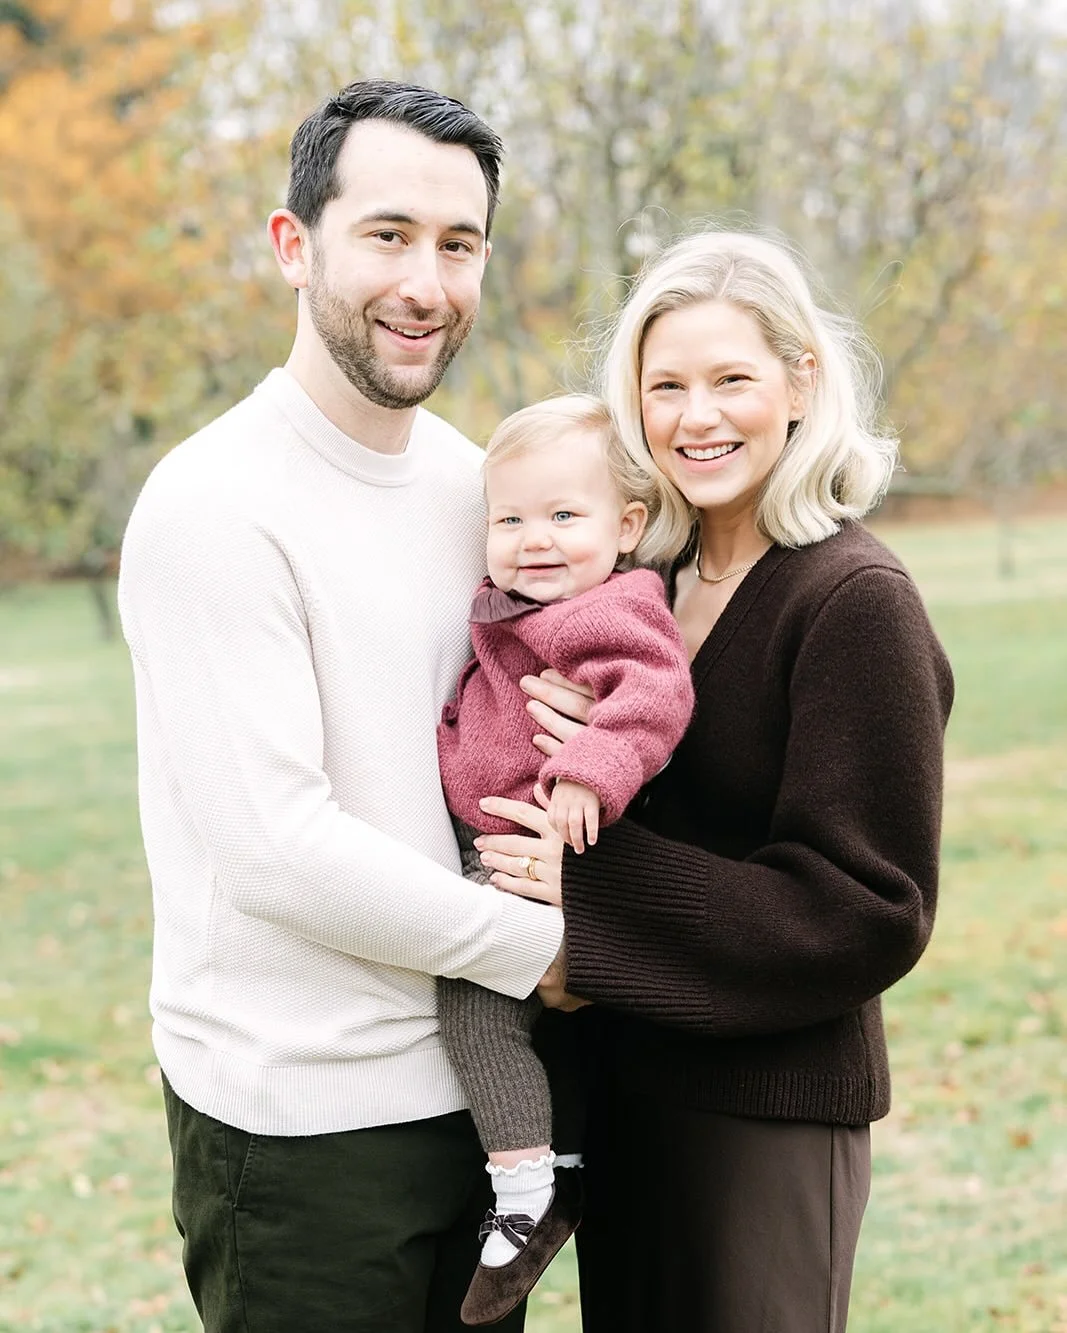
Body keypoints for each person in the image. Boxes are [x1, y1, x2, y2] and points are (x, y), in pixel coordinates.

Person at [117, 80, 565, 1333]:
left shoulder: (486, 492)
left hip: (485, 1110)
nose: (425, 281)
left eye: (457, 244)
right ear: (292, 244)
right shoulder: (214, 502)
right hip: (300, 1131)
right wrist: (559, 952)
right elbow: (276, 849)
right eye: (386, 234)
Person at [476, 229, 955, 1332]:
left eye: (730, 379)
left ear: (799, 382)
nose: (696, 417)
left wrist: (579, 910)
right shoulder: (637, 584)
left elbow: (866, 907)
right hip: (630, 1097)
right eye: (665, 387)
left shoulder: (850, 598)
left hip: (763, 1117)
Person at [434, 393, 694, 1325]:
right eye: (509, 518)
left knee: (469, 1000)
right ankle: (562, 1164)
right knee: (542, 1024)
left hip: (549, 850)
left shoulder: (606, 607)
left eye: (562, 515)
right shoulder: (525, 606)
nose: (531, 539)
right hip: (506, 846)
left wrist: (591, 768)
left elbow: (653, 694)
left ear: (626, 526)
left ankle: (523, 1186)